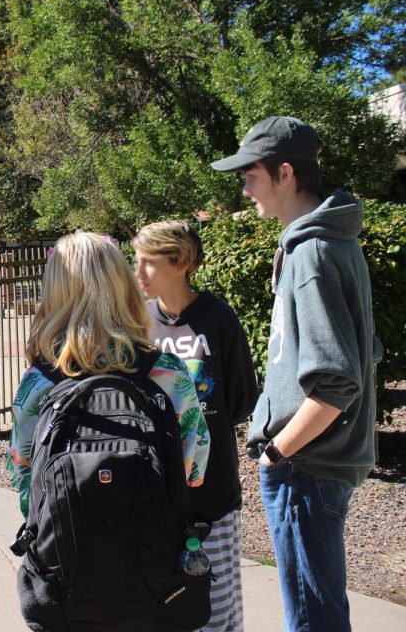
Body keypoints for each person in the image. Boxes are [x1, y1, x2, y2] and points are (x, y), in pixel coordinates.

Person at [211, 116, 380, 632]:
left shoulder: (311, 253)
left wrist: (278, 451)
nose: (243, 190)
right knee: (320, 611)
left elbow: (337, 380)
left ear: (285, 174)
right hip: (314, 463)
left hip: (306, 465)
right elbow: (366, 350)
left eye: (250, 177)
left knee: (312, 619)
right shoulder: (328, 243)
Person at [7, 232, 210, 629]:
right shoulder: (166, 372)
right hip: (153, 583)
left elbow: (25, 484)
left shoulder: (39, 382)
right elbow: (194, 470)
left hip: (63, 583)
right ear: (122, 288)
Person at [134, 220, 258, 632]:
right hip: (156, 493)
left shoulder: (218, 318)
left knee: (216, 612)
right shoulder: (140, 322)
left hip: (213, 495)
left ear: (179, 262)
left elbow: (241, 399)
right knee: (165, 609)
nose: (138, 273)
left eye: (147, 262)